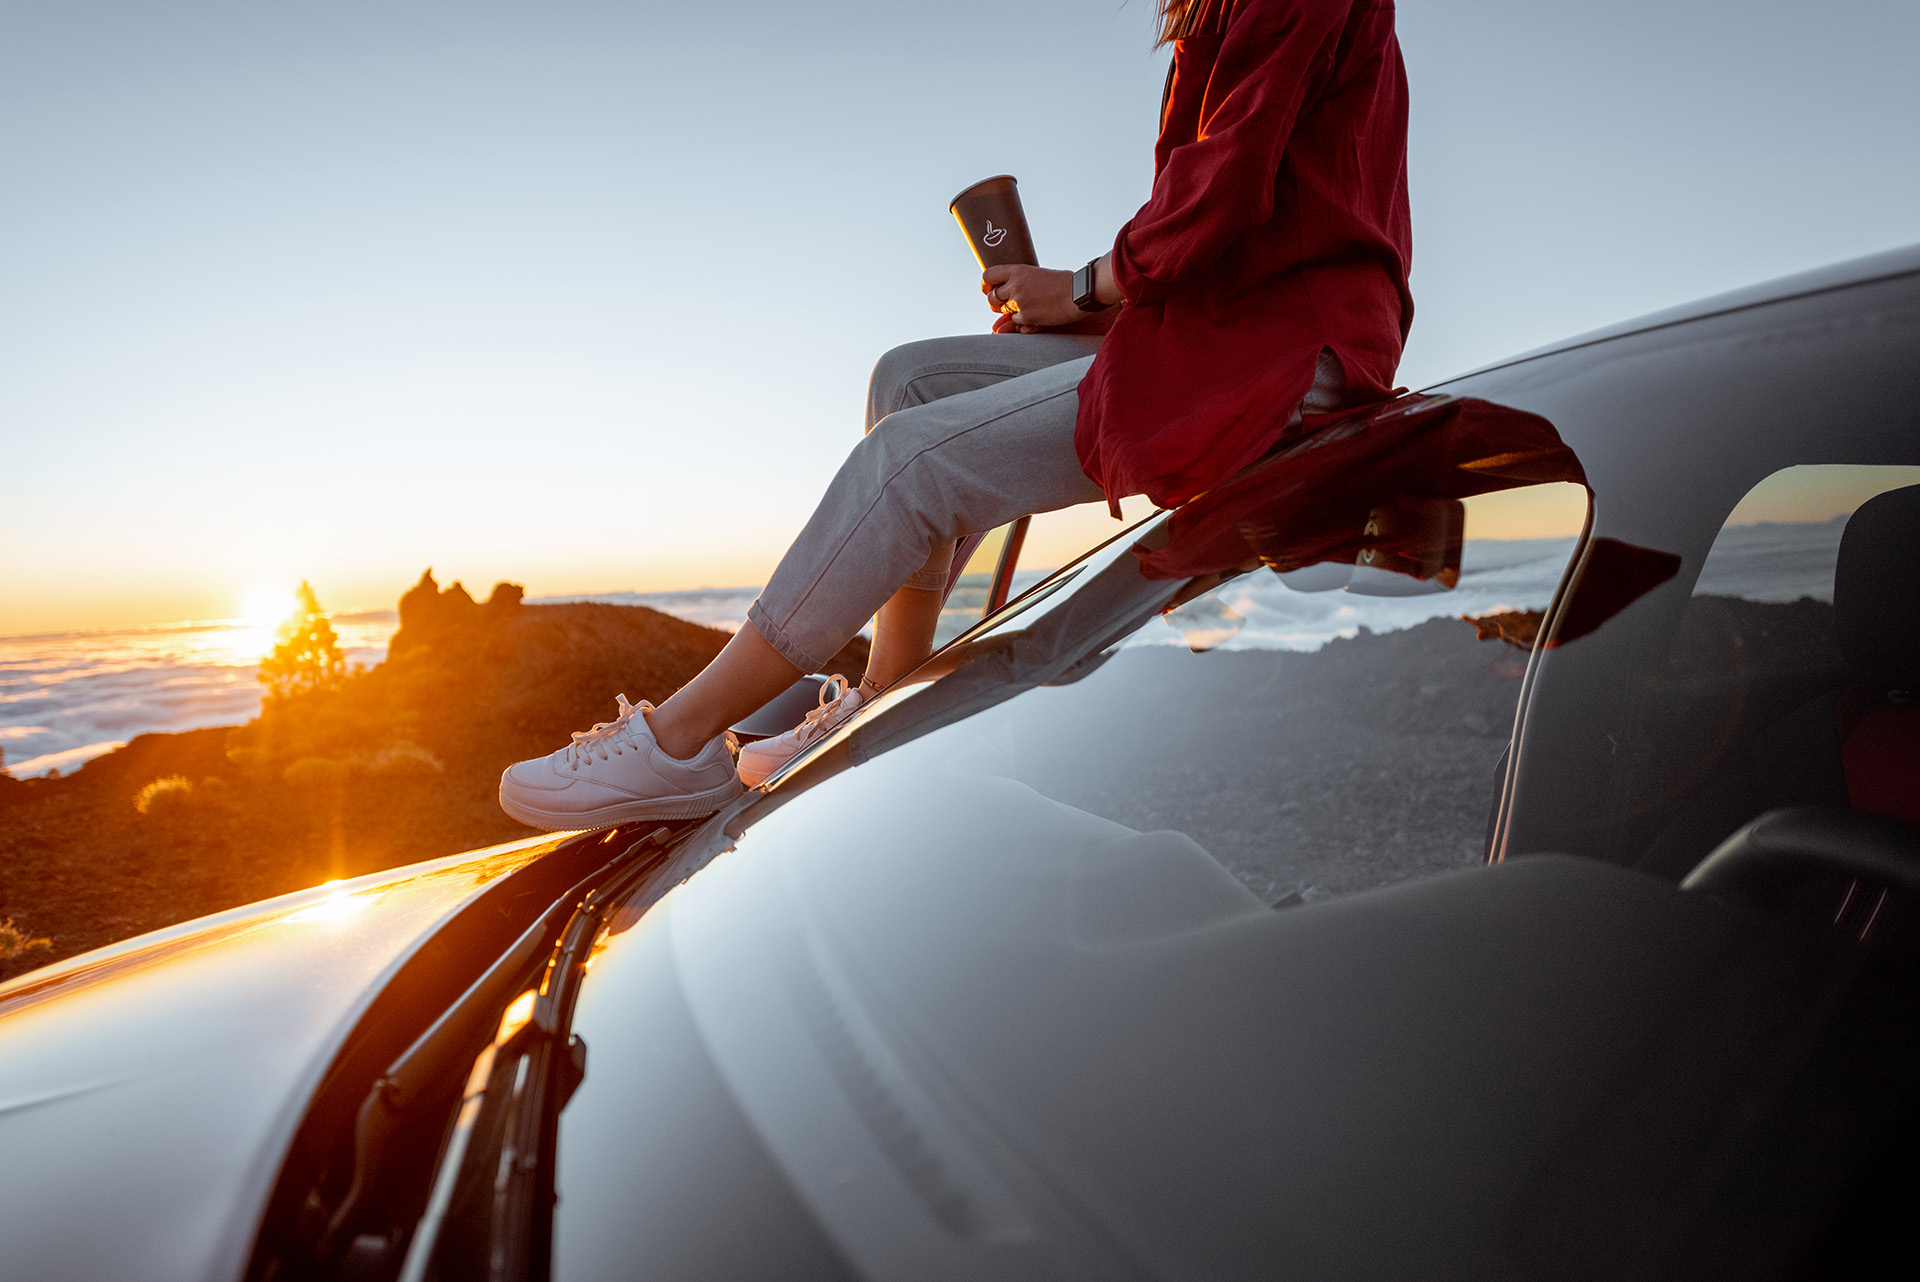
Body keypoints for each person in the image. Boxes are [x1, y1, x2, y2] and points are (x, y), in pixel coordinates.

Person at [496, 0, 1413, 831]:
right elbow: (1230, 221)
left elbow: (1228, 183)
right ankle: (886, 695)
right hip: (1220, 320)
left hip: (1288, 351)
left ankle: (680, 745)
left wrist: (1088, 284)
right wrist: (1079, 302)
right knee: (909, 381)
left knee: (912, 460)